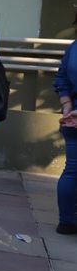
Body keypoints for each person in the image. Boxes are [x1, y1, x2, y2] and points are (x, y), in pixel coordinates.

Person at [53, 12, 77, 235]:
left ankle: (67, 221)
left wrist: (68, 107)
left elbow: (61, 79)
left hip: (71, 118)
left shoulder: (73, 47)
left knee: (71, 170)